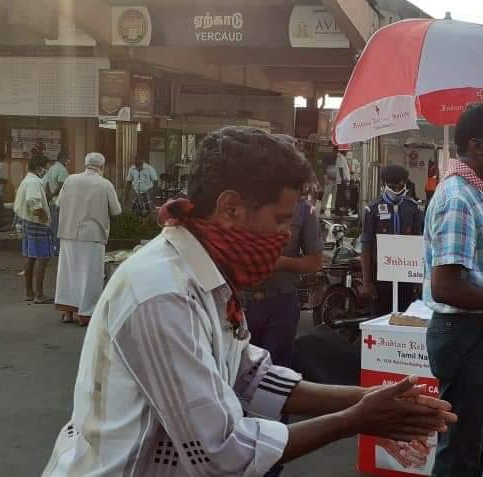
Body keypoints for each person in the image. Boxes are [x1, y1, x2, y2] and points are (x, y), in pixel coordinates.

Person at [42, 127, 456, 476]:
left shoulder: (206, 274)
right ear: (230, 208)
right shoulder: (162, 294)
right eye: (279, 219)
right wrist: (356, 420)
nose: (285, 235)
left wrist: (365, 398)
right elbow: (220, 452)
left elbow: (248, 375)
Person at [423, 103, 483, 477]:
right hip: (464, 331)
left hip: (476, 330)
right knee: (460, 451)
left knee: (470, 440)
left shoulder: (478, 192)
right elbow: (446, 287)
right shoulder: (459, 197)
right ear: (478, 145)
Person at [242, 136, 324, 369]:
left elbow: (315, 262)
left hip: (280, 303)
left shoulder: (304, 209)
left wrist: (280, 262)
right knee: (237, 371)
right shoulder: (243, 202)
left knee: (275, 372)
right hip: (241, 302)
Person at [53, 152, 122, 326]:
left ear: (86, 164)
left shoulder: (70, 180)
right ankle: (86, 314)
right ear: (102, 166)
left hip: (68, 232)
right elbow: (116, 211)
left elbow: (58, 203)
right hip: (92, 235)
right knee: (90, 276)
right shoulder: (105, 184)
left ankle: (68, 312)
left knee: (68, 273)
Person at [361, 164, 424, 317]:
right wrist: (367, 281)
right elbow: (367, 246)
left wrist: (419, 278)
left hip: (406, 274)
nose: (396, 191)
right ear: (384, 185)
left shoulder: (413, 208)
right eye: (392, 187)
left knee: (406, 317)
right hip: (380, 275)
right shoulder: (373, 209)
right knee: (380, 317)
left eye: (400, 187)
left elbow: (419, 242)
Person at [14, 155, 55, 305]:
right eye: (47, 168)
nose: (47, 171)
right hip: (36, 222)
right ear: (39, 168)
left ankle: (29, 292)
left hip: (27, 221)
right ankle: (39, 294)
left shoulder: (27, 180)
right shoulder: (34, 182)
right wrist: (43, 217)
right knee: (42, 257)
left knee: (30, 256)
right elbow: (33, 201)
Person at [44, 151, 69, 254]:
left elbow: (46, 184)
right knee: (58, 226)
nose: (67, 161)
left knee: (52, 225)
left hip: (51, 201)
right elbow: (61, 185)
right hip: (59, 202)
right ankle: (57, 248)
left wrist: (49, 195)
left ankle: (51, 247)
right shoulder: (62, 169)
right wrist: (53, 195)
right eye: (66, 159)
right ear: (63, 158)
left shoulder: (51, 168)